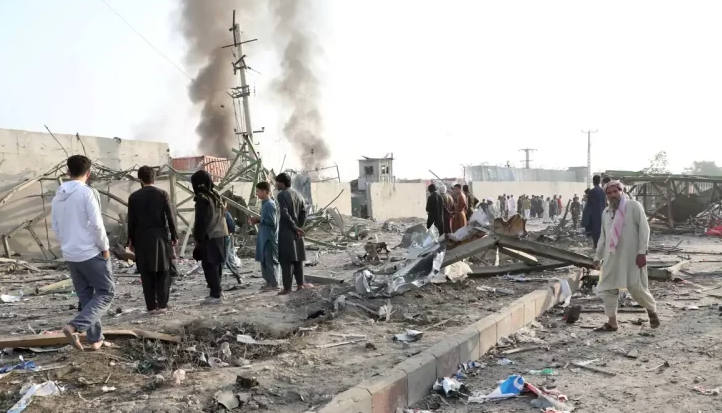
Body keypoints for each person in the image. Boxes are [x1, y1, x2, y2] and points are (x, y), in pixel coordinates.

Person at [51, 155, 114, 351]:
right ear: (88, 173)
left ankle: (95, 340)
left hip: (70, 253)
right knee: (106, 292)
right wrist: (104, 247)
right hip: (90, 252)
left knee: (86, 296)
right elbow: (97, 224)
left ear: (68, 172)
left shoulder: (57, 196)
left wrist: (67, 245)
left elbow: (55, 227)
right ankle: (74, 327)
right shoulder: (87, 193)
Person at [593, 180, 659, 332]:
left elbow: (644, 230)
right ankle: (612, 322)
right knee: (608, 287)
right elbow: (603, 237)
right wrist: (597, 257)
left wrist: (642, 252)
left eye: (615, 191)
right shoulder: (606, 212)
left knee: (636, 288)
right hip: (611, 257)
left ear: (621, 191)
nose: (613, 195)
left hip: (631, 256)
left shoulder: (633, 206)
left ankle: (651, 309)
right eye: (609, 193)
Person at [127, 165, 178, 316]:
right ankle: (162, 306)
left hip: (141, 238)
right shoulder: (162, 194)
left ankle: (151, 307)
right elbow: (170, 217)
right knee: (163, 271)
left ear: (140, 179)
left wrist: (130, 241)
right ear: (154, 178)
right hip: (160, 237)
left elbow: (131, 221)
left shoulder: (134, 197)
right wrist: (174, 236)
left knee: (146, 272)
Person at [191, 170, 229, 304]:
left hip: (209, 235)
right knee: (216, 264)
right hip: (221, 234)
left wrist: (198, 238)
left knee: (209, 265)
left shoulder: (202, 198)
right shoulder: (215, 195)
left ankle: (215, 294)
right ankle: (217, 292)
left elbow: (201, 221)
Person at [275, 173, 311, 294]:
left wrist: (294, 228)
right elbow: (304, 213)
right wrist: (299, 227)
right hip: (297, 232)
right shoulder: (299, 195)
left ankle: (287, 288)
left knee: (286, 260)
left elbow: (285, 214)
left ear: (282, 182)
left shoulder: (282, 195)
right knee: (298, 259)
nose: (276, 184)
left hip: (287, 231)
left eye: (277, 182)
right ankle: (300, 284)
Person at [250, 182, 280, 292]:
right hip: (264, 237)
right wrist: (258, 220)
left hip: (269, 238)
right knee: (264, 261)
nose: (257, 194)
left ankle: (274, 283)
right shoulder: (265, 204)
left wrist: (259, 219)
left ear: (265, 191)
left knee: (270, 261)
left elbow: (272, 222)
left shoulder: (269, 205)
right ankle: (268, 282)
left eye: (258, 191)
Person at [583, 175, 607, 249]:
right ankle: (600, 245)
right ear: (599, 181)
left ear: (593, 181)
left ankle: (596, 245)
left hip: (594, 214)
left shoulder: (592, 191)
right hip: (602, 213)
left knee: (594, 230)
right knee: (601, 229)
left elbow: (589, 204)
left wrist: (585, 217)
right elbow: (605, 203)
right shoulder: (603, 191)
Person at [223, 206, 242, 284]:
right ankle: (238, 276)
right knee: (227, 258)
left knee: (221, 259)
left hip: (214, 239)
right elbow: (232, 227)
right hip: (225, 237)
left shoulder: (210, 214)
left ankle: (214, 281)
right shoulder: (225, 214)